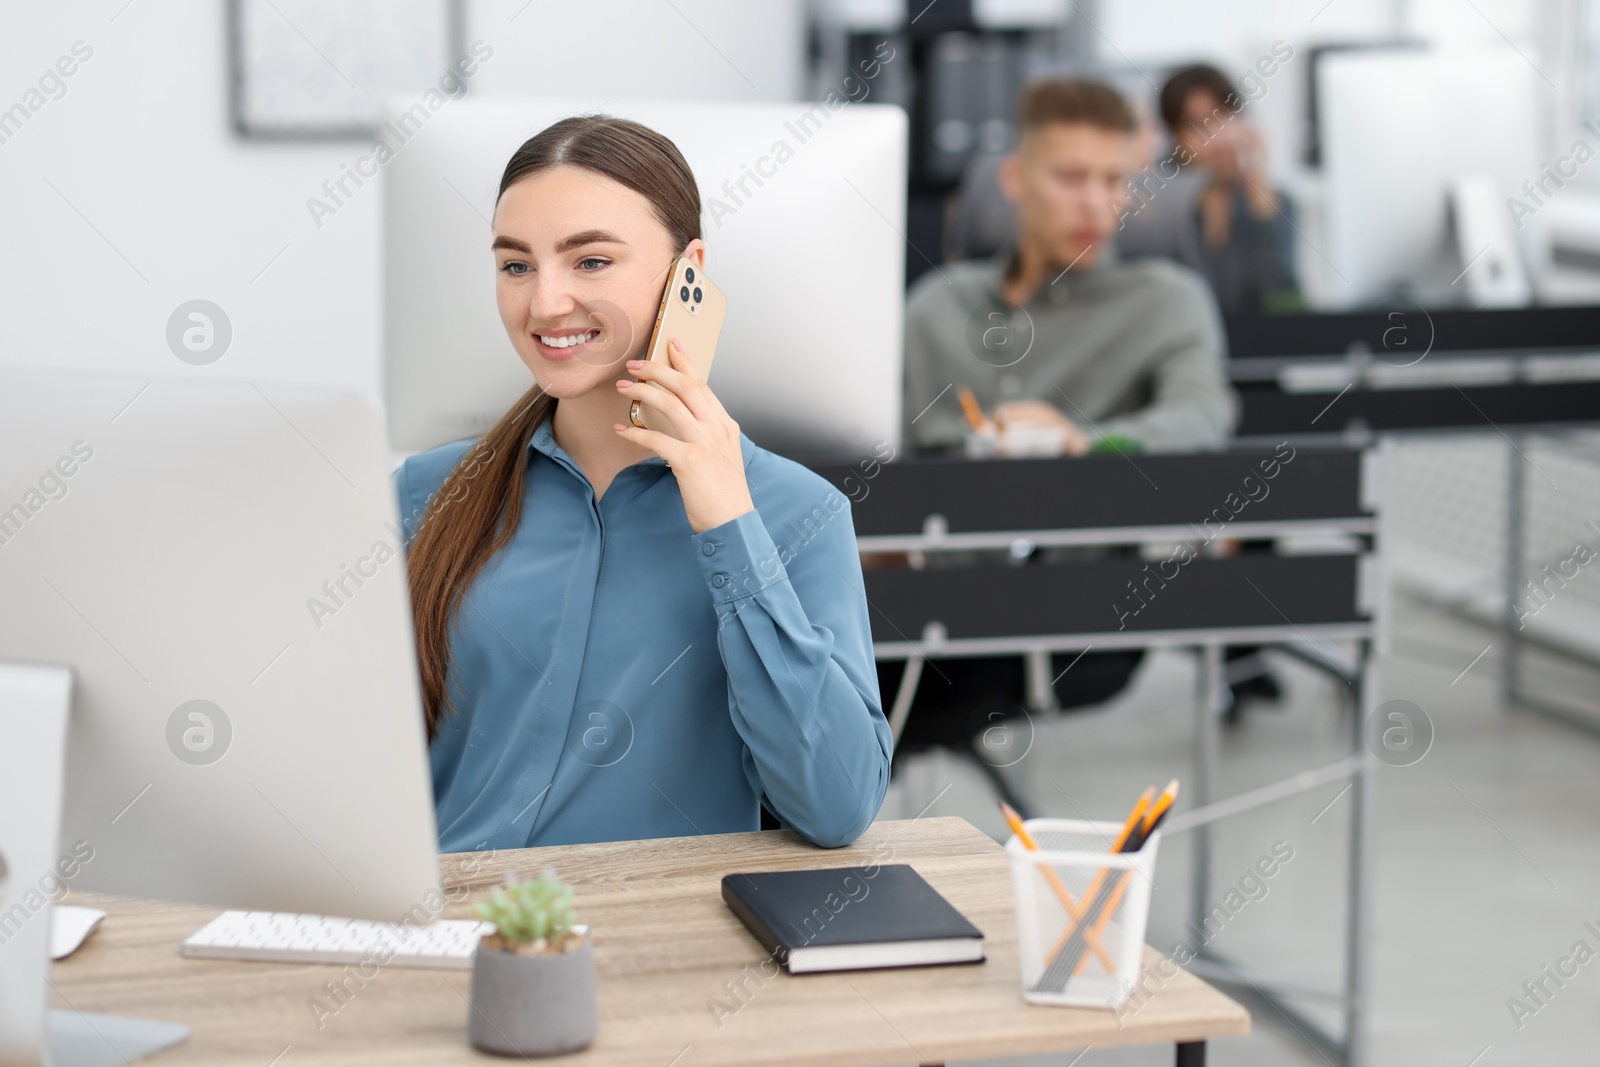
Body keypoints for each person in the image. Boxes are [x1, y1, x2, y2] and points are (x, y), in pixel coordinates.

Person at [397, 116, 891, 853]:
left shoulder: (796, 512)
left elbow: (836, 804)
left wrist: (731, 527)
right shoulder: (431, 490)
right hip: (451, 934)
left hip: (656, 938)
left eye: (590, 261)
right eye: (516, 265)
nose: (545, 304)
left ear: (688, 270)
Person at [888, 77, 1240, 755]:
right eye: (1072, 177)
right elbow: (880, 444)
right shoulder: (938, 305)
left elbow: (1202, 415)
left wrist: (1086, 442)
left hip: (1068, 618)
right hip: (913, 602)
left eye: (1115, 179)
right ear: (1016, 179)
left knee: (805, 724)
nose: (1097, 203)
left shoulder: (1165, 302)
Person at [1119, 64, 1302, 316]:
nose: (1217, 137)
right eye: (1197, 126)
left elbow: (1286, 306)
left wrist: (1261, 202)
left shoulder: (1273, 202)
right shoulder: (1155, 205)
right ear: (1174, 138)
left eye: (1224, 115)